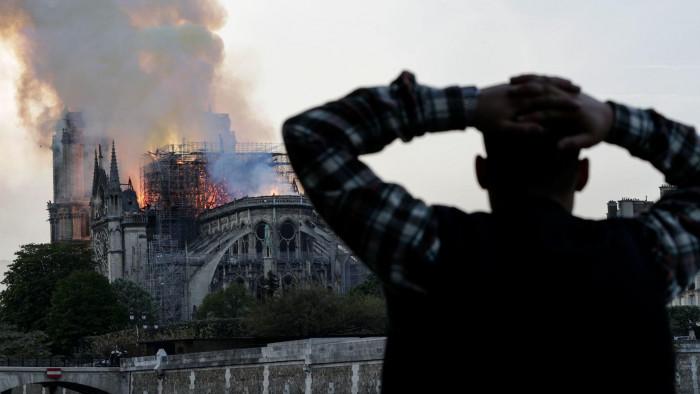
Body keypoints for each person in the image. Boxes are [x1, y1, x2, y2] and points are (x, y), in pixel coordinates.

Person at [282, 72, 700, 393]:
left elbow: (312, 134)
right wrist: (612, 120)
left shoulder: (428, 248)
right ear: (583, 175)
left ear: (481, 172)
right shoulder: (646, 257)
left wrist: (467, 105)